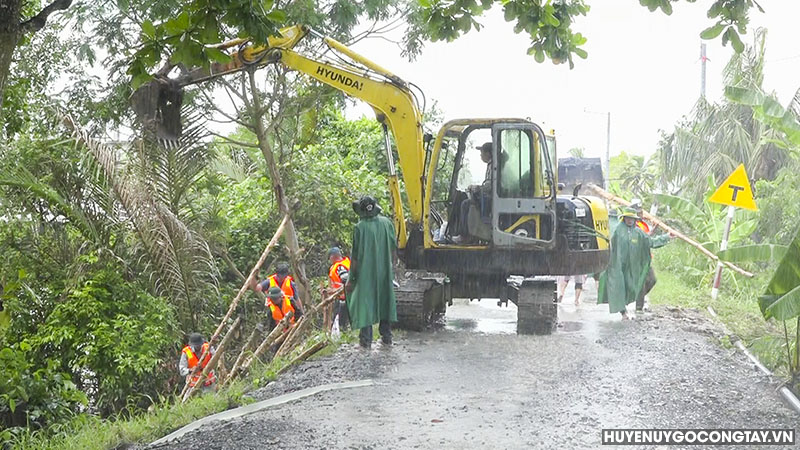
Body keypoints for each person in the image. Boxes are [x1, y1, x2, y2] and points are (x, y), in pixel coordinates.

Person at [598, 207, 672, 320]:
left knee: (641, 283)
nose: (630, 220)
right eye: (628, 218)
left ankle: (637, 303)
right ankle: (623, 313)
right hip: (617, 266)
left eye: (632, 218)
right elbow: (608, 244)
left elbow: (651, 242)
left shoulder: (638, 232)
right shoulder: (617, 230)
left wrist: (666, 237)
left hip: (633, 266)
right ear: (624, 218)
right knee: (619, 287)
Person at [346, 195, 397, 349]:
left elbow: (355, 257)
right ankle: (386, 336)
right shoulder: (387, 223)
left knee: (365, 303)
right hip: (384, 270)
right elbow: (393, 249)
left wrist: (351, 279)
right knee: (384, 300)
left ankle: (366, 340)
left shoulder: (359, 228)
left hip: (365, 273)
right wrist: (390, 268)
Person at [454, 142, 493, 242]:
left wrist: (478, 188)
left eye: (482, 152)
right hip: (488, 196)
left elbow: (491, 185)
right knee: (464, 198)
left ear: (488, 153)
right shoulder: (491, 165)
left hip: (490, 199)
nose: (481, 155)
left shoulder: (494, 166)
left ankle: (465, 235)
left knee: (465, 204)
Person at [327, 247, 351, 331]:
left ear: (333, 256)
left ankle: (345, 339)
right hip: (346, 298)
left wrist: (334, 291)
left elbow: (346, 281)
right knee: (341, 322)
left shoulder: (340, 267)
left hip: (345, 299)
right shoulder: (346, 263)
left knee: (342, 323)